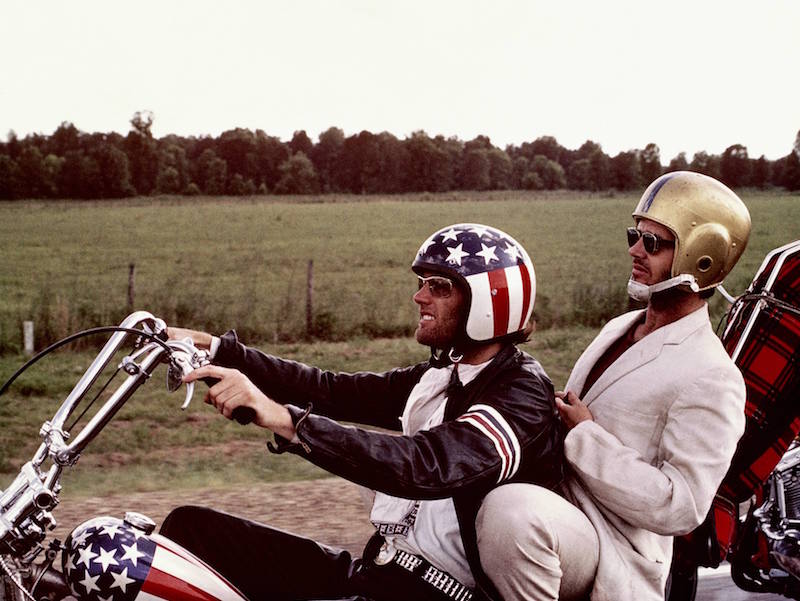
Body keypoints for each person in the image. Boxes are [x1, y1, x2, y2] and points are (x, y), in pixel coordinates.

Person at [160, 223, 564, 601]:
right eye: (422, 284)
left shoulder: (520, 392)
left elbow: (428, 465)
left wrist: (282, 418)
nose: (419, 296)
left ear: (489, 302)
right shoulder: (444, 375)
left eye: (439, 287)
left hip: (430, 592)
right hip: (377, 570)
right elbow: (330, 389)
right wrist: (216, 349)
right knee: (190, 531)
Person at [475, 171, 752, 601]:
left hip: (612, 548)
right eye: (634, 235)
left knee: (511, 514)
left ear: (702, 256)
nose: (634, 250)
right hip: (560, 507)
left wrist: (585, 436)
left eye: (653, 243)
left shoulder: (712, 375)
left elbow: (682, 506)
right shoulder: (621, 326)